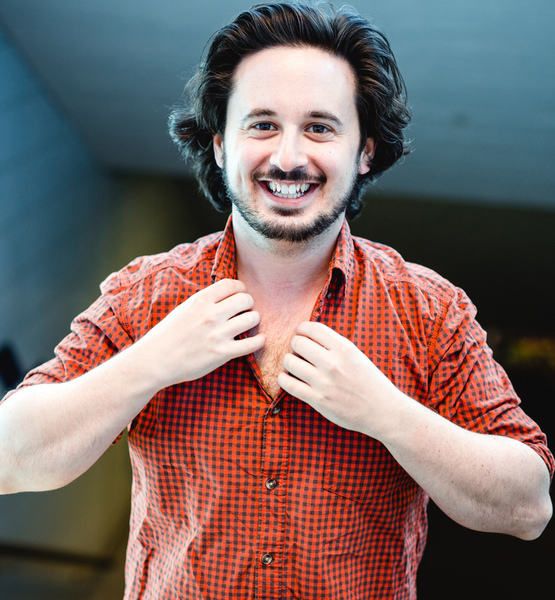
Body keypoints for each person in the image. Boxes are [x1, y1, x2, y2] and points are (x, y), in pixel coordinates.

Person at [0, 2, 552, 598]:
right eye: (262, 125)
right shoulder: (145, 294)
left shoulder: (430, 311)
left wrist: (386, 414)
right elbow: (10, 457)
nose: (288, 158)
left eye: (320, 128)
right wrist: (150, 363)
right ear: (220, 145)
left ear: (365, 150)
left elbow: (528, 508)